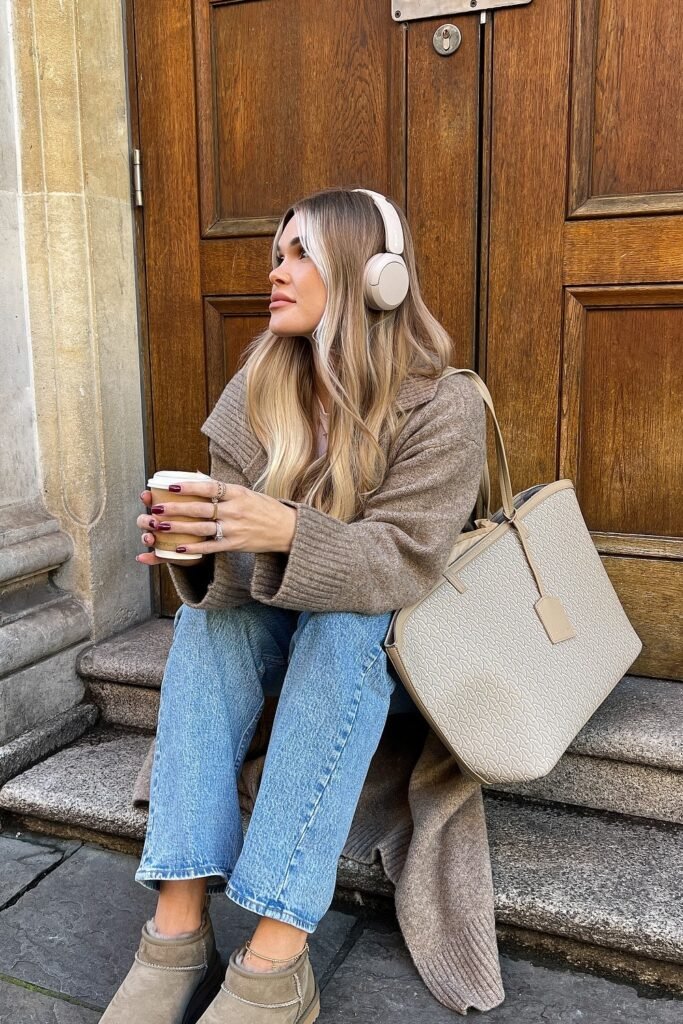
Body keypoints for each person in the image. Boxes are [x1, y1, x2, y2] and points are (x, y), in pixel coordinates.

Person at [101, 186, 486, 1024]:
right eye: (276, 255)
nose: (276, 273)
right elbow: (236, 586)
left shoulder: (444, 404)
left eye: (300, 254)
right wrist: (204, 551)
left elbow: (403, 565)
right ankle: (177, 925)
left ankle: (277, 955)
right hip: (276, 626)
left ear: (375, 277)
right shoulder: (259, 384)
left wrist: (282, 526)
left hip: (376, 656)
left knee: (345, 626)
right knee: (210, 623)